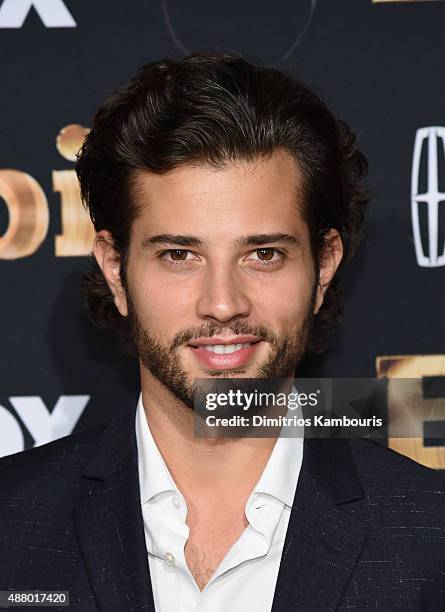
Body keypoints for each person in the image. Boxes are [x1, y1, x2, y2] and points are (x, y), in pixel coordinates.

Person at [1, 51, 444, 612]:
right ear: (116, 270)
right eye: (180, 254)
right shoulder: (10, 525)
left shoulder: (430, 539)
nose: (222, 303)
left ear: (324, 267)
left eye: (263, 254)